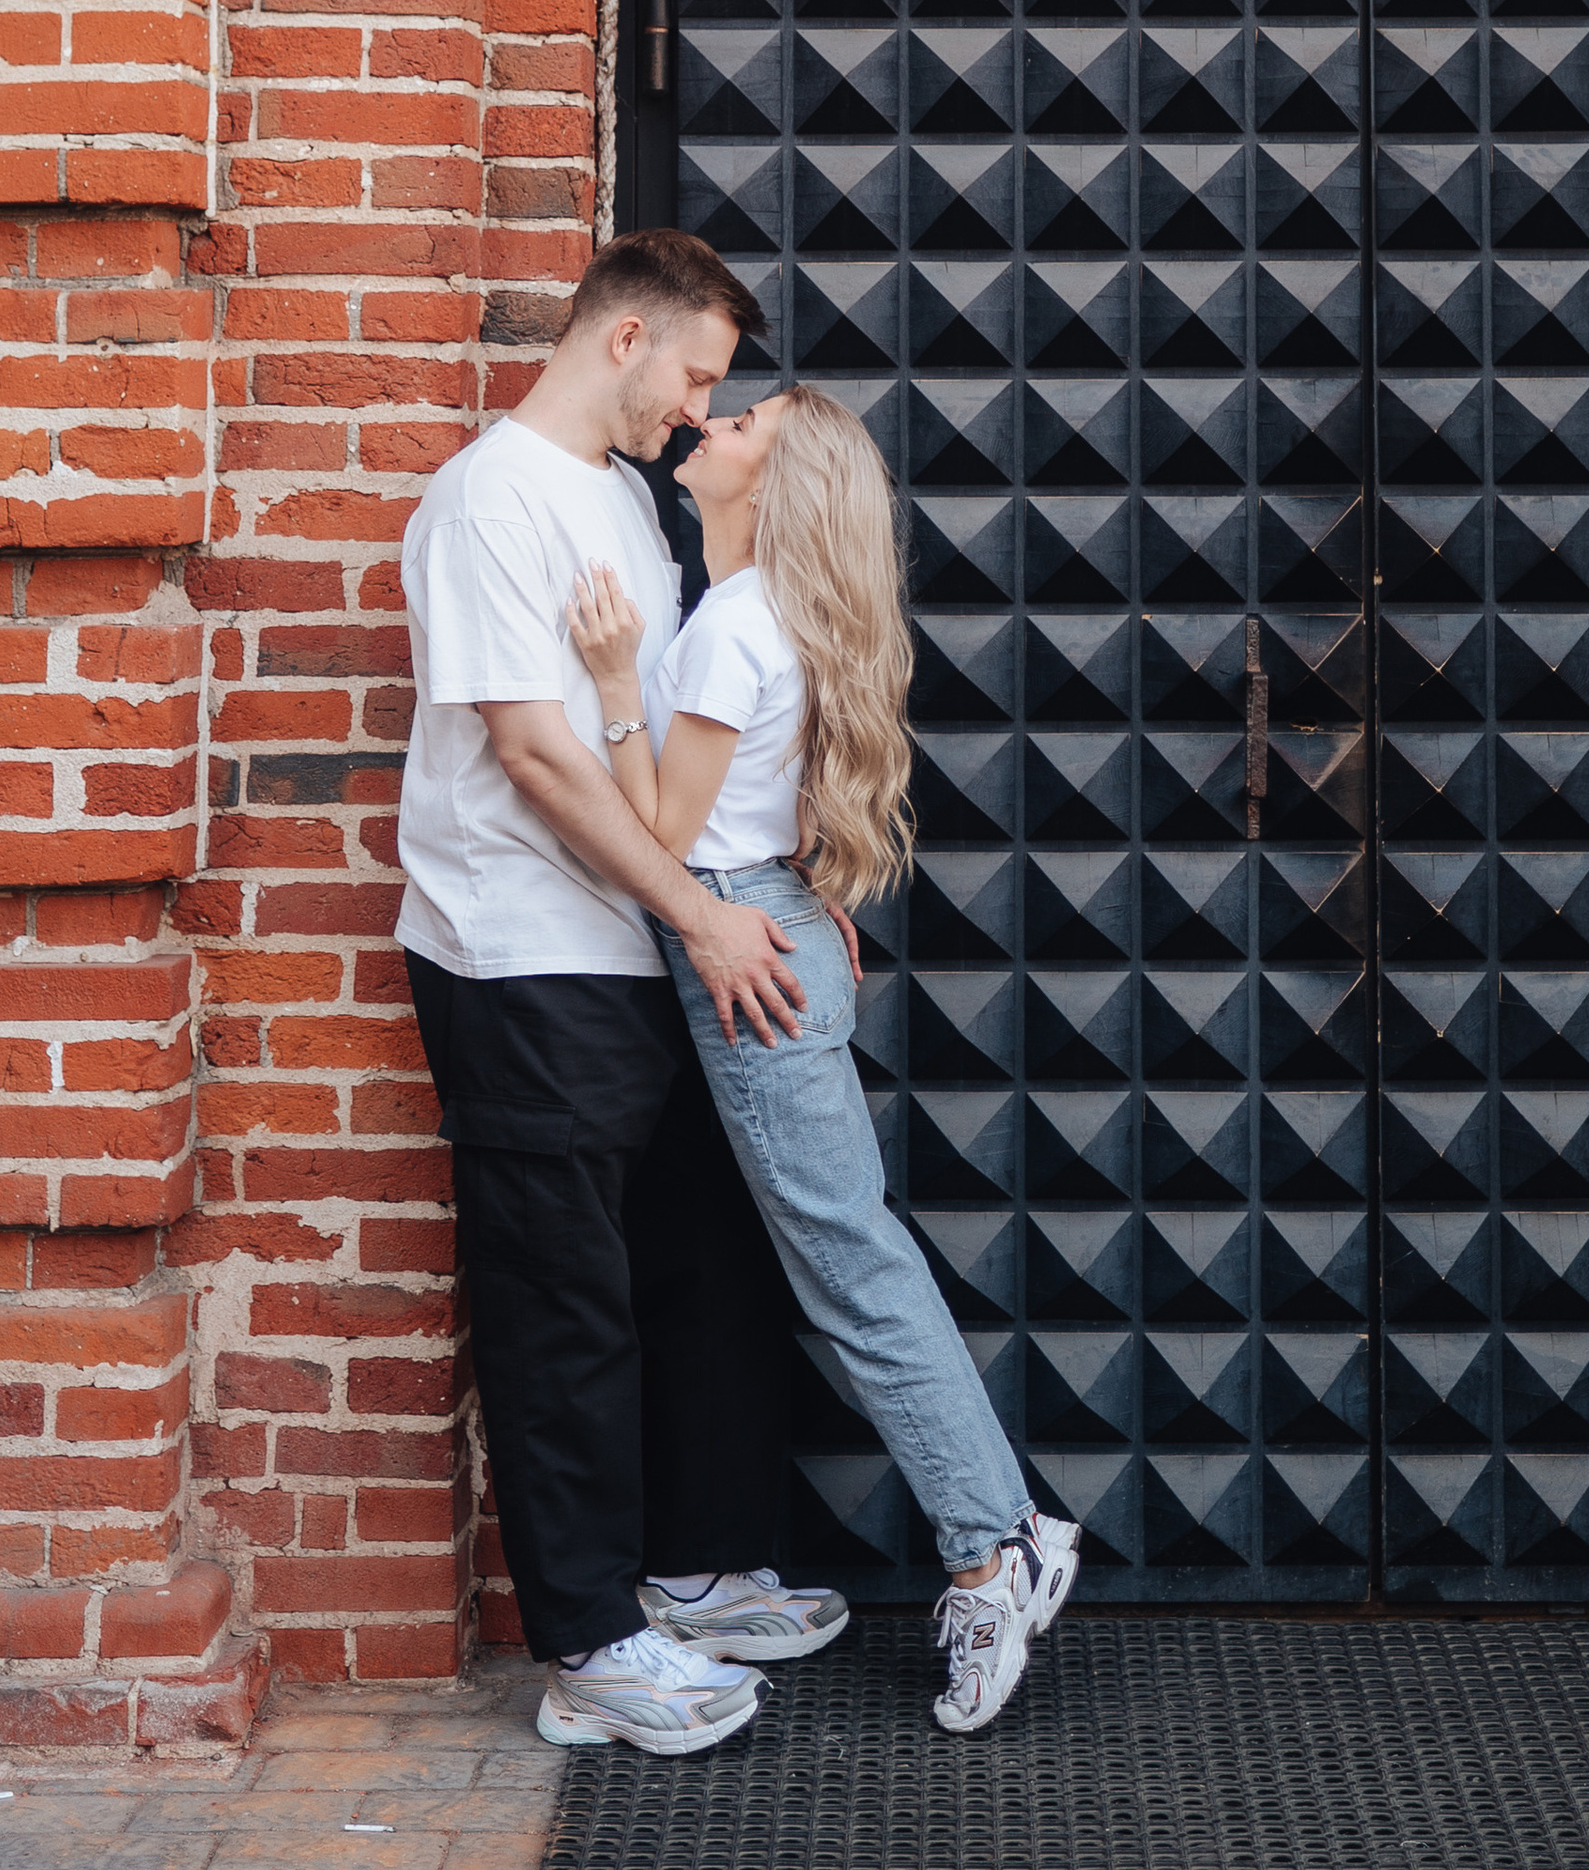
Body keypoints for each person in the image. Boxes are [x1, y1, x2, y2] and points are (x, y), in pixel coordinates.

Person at [394, 227, 851, 1758]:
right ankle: (590, 1647)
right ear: (625, 339)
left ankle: (693, 1570)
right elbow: (534, 754)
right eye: (698, 378)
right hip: (523, 961)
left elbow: (662, 745)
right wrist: (703, 919)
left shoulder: (624, 500)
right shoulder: (489, 501)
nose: (699, 411)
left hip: (641, 949)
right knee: (563, 1310)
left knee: (697, 1266)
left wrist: (768, 894)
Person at [568, 381, 1080, 1735]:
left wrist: (614, 683)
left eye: (743, 427)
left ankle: (992, 1550)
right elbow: (775, 812)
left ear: (773, 485)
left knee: (851, 1264)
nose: (712, 425)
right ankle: (1001, 1533)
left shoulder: (732, 628)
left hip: (741, 938)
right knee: (844, 1251)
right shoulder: (761, 615)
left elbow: (664, 836)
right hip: (773, 922)